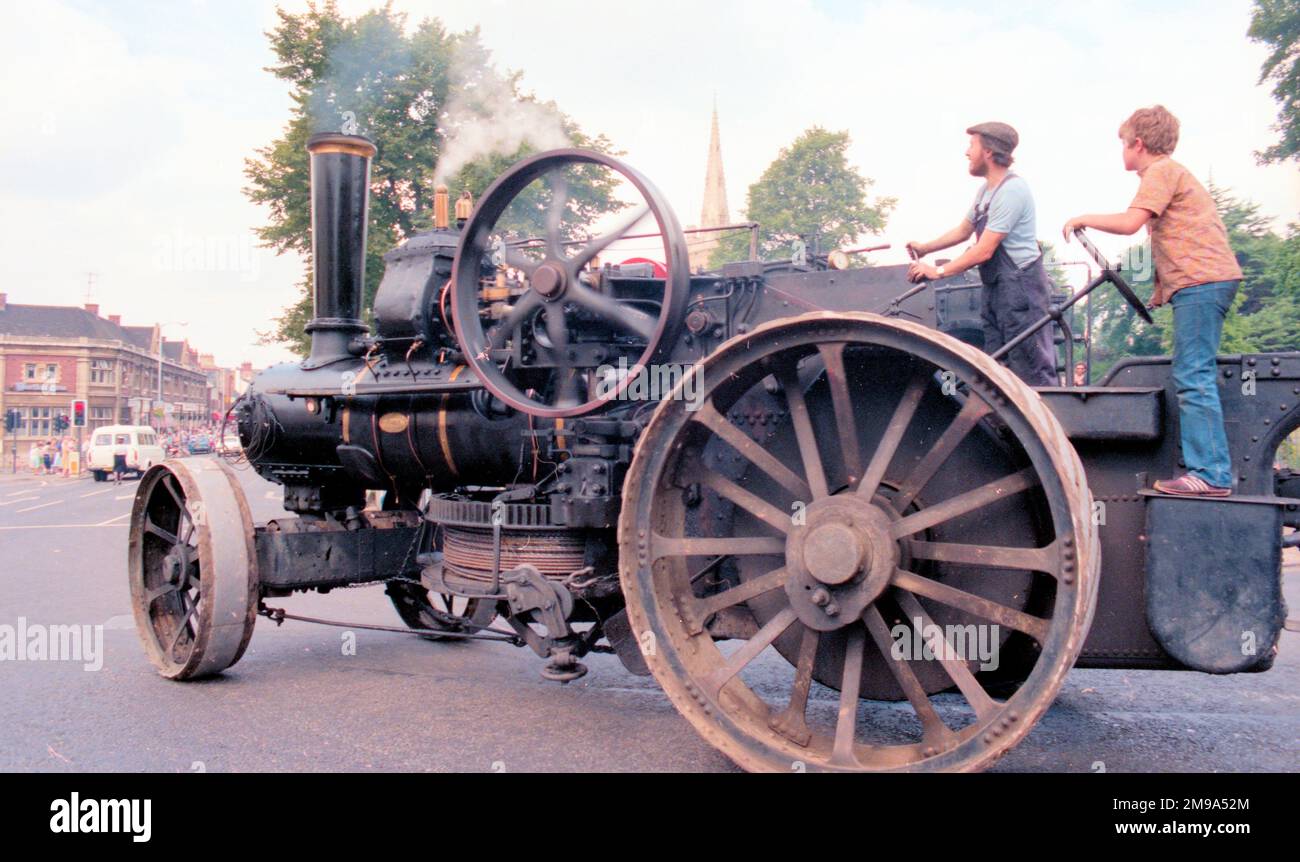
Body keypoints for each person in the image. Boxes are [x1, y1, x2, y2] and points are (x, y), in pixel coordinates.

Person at [1063, 105, 1242, 497]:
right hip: (1202, 283)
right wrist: (1162, 291)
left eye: (1123, 145)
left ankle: (1210, 473)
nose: (1122, 152)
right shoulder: (1170, 174)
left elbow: (1129, 224)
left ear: (1138, 144)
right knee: (1192, 371)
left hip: (1202, 283)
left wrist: (1083, 218)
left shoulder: (1160, 171)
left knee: (1193, 374)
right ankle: (1208, 469)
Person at [907, 122, 1058, 386]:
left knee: (1030, 369)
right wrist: (925, 247)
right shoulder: (985, 192)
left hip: (1020, 292)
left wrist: (938, 272)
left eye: (972, 145)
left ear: (988, 151)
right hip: (997, 290)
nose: (967, 152)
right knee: (998, 366)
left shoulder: (1012, 191)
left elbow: (984, 250)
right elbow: (964, 231)